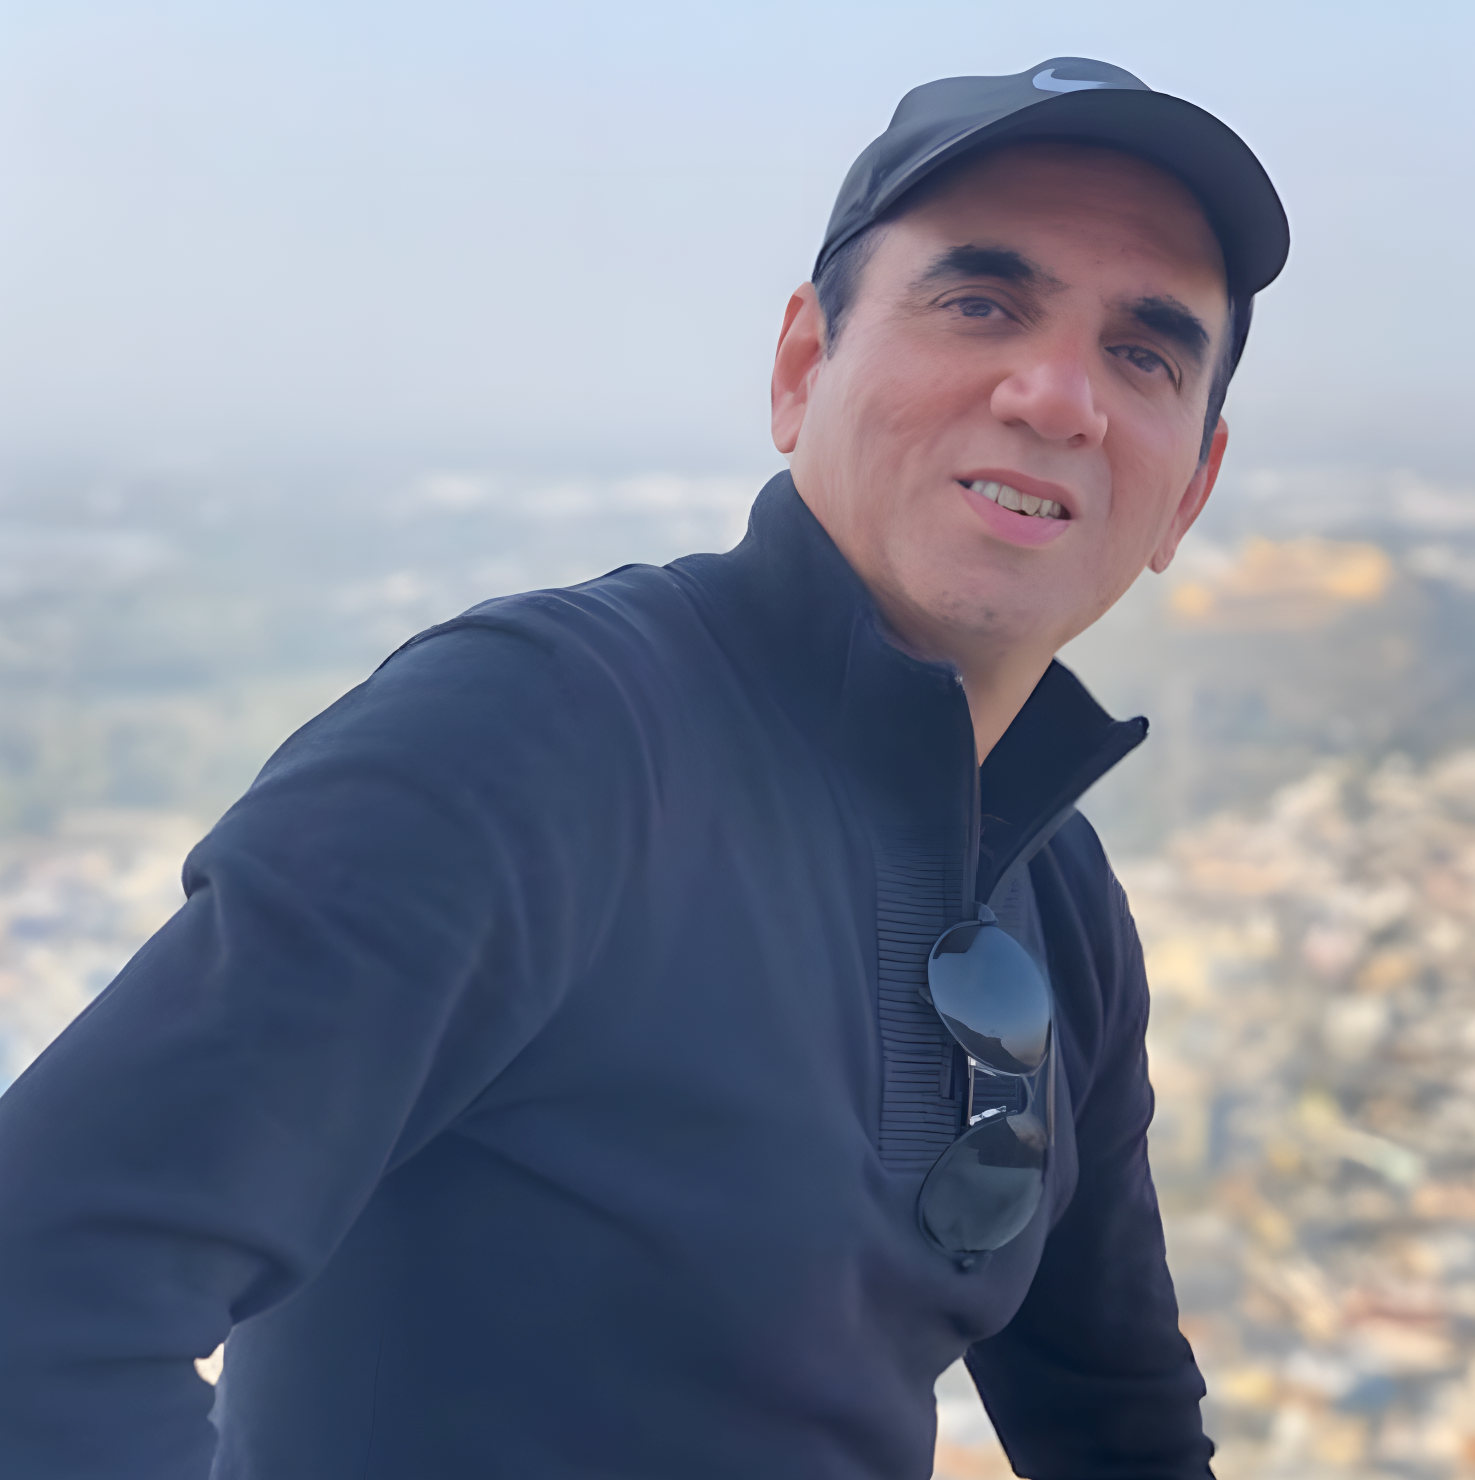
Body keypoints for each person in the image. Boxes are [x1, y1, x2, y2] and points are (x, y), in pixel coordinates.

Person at [0, 57, 1287, 1480]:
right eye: (980, 303)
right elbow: (42, 1290)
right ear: (800, 368)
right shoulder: (541, 738)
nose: (1056, 396)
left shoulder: (1054, 890)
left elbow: (1119, 1425)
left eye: (1143, 356)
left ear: (1190, 488)